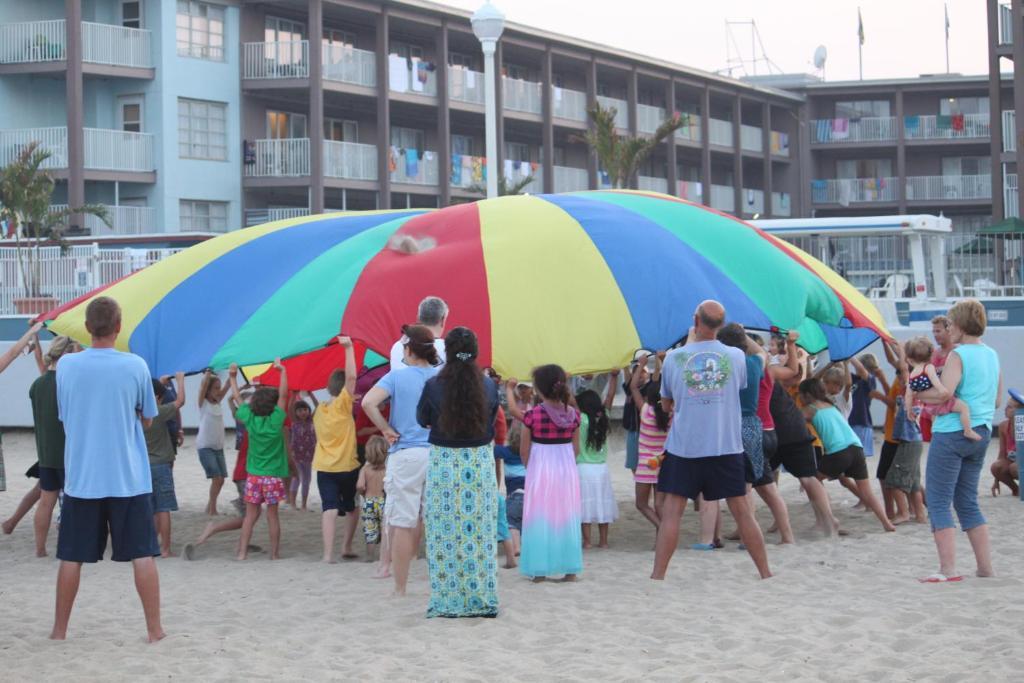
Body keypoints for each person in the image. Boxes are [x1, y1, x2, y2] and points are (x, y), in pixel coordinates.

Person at [51, 297, 163, 642]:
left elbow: (65, 415)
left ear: (87, 328)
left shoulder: (67, 366)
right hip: (128, 476)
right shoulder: (135, 365)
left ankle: (59, 631)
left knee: (71, 557)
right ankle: (154, 630)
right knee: (142, 555)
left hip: (83, 477)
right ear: (118, 327)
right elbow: (147, 419)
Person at [651, 301, 771, 581]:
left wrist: (691, 343)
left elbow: (667, 404)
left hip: (685, 447)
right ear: (722, 323)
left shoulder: (673, 358)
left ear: (695, 320)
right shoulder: (736, 357)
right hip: (725, 444)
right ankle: (765, 572)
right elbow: (738, 385)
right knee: (742, 512)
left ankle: (658, 575)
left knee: (672, 514)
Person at [417, 327, 500, 617]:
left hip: (445, 463)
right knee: (479, 533)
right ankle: (482, 599)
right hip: (478, 463)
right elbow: (490, 419)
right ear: (475, 351)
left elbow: (422, 419)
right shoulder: (489, 386)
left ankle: (449, 601)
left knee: (445, 533)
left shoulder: (433, 385)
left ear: (446, 351)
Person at [923, 299, 1001, 583]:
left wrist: (918, 396)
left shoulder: (959, 355)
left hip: (951, 432)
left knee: (938, 500)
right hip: (980, 432)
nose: (948, 328)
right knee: (967, 500)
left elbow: (945, 393)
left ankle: (948, 569)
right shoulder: (991, 354)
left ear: (960, 325)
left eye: (950, 323)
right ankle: (985, 568)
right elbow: (996, 399)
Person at [362, 325, 441, 597]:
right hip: (438, 452)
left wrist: (385, 429)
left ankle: (400, 587)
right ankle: (440, 584)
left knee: (402, 522)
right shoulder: (441, 376)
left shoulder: (396, 377)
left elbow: (368, 403)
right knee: (437, 521)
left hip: (406, 452)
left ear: (408, 350)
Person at [718, 323, 795, 545]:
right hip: (762, 428)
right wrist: (743, 334)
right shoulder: (755, 364)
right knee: (768, 488)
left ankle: (747, 536)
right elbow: (761, 353)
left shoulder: (725, 368)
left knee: (745, 487)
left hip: (742, 430)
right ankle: (787, 536)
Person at [506, 364, 582, 583]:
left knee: (538, 516)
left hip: (540, 468)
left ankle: (539, 571)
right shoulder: (574, 416)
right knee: (567, 515)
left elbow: (523, 450)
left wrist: (532, 468)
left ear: (538, 389)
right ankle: (570, 570)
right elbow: (576, 449)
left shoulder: (533, 415)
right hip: (566, 469)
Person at [798, 378, 896, 533]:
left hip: (838, 451)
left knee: (811, 483)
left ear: (807, 395)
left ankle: (827, 520)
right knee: (867, 491)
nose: (799, 399)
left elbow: (791, 420)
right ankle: (887, 523)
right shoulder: (831, 406)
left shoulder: (811, 408)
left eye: (800, 395)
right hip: (856, 448)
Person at [229, 360, 290, 561]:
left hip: (254, 476)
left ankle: (241, 553)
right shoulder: (276, 420)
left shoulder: (250, 420)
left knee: (250, 516)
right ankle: (274, 554)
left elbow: (238, 398)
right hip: (272, 477)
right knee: (272, 516)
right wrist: (282, 372)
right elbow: (283, 395)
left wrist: (232, 376)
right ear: (273, 406)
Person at [312, 337, 361, 563]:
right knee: (351, 508)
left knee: (329, 509)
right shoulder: (343, 406)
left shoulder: (320, 410)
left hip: (324, 467)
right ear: (345, 391)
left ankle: (327, 554)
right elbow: (351, 377)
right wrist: (348, 349)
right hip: (347, 466)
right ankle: (346, 546)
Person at [25, 336, 74, 556]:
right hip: (67, 452)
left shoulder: (38, 384)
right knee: (72, 503)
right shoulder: (67, 383)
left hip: (45, 453)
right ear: (65, 354)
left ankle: (40, 549)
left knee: (46, 502)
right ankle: (68, 546)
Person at [904, 336, 981, 442]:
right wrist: (942, 390)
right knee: (964, 408)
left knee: (936, 423)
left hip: (930, 406)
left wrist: (909, 410)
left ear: (909, 360)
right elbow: (935, 381)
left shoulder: (911, 376)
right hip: (942, 401)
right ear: (931, 355)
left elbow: (908, 395)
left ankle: (935, 432)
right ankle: (968, 430)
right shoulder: (928, 368)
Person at [575, 379, 619, 549]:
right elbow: (610, 396)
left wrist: (564, 380)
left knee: (585, 504)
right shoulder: (604, 418)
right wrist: (613, 377)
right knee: (603, 503)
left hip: (583, 468)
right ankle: (604, 541)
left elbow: (570, 401)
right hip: (602, 469)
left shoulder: (582, 420)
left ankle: (587, 541)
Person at [145, 375, 186, 557]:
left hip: (144, 468)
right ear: (159, 398)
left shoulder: (136, 414)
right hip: (161, 465)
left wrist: (158, 385)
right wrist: (180, 380)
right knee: (164, 508)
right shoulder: (159, 413)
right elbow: (180, 401)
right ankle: (166, 548)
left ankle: (152, 545)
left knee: (151, 508)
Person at [630, 356, 669, 531]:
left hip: (646, 464)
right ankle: (662, 534)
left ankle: (662, 529)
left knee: (642, 504)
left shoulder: (646, 411)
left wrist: (641, 365)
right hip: (664, 462)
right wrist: (665, 361)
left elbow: (632, 387)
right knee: (660, 504)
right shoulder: (671, 415)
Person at [197, 369, 231, 516]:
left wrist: (233, 379)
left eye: (219, 388)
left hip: (218, 447)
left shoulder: (218, 402)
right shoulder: (203, 403)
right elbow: (203, 387)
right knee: (216, 478)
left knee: (221, 479)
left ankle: (209, 506)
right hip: (205, 446)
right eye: (216, 388)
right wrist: (207, 375)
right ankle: (212, 510)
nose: (219, 391)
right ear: (208, 390)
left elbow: (229, 384)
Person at [921, 315, 956, 442]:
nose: (935, 335)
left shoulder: (957, 352)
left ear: (949, 330)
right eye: (934, 331)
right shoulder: (934, 354)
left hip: (950, 407)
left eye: (938, 331)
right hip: (931, 406)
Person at [622, 351, 657, 473]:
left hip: (646, 431)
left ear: (648, 374)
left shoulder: (650, 388)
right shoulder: (629, 389)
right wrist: (625, 365)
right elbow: (628, 380)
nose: (640, 374)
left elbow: (656, 375)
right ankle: (639, 481)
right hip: (633, 431)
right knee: (633, 463)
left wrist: (646, 363)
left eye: (643, 371)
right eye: (637, 372)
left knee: (649, 465)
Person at [389, 296, 448, 368]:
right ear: (442, 320)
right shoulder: (449, 348)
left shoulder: (398, 346)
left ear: (418, 318)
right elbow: (464, 357)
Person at [495, 422, 526, 558]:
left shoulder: (505, 452)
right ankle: (527, 546)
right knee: (527, 522)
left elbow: (492, 450)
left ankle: (516, 547)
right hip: (531, 495)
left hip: (514, 496)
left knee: (511, 522)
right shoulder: (530, 452)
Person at [357, 435, 388, 569]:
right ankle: (385, 555)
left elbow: (359, 486)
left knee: (370, 529)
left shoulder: (365, 470)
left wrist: (364, 494)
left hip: (368, 502)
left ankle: (370, 555)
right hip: (384, 501)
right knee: (385, 529)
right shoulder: (388, 469)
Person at [990, 390, 1021, 497]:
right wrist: (996, 481)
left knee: (1015, 467)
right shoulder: (1003, 426)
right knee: (996, 466)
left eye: (1010, 407)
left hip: (1018, 464)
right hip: (1014, 461)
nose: (1005, 409)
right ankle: (1016, 489)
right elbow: (1002, 455)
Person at [288, 399, 316, 510]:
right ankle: (293, 504)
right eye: (299, 410)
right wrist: (294, 396)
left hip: (309, 455)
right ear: (295, 413)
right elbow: (290, 409)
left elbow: (317, 406)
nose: (303, 412)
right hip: (296, 455)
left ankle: (304, 504)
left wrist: (311, 395)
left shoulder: (312, 421)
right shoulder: (294, 422)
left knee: (307, 480)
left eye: (305, 409)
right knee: (297, 478)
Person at [847, 355, 878, 456]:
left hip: (861, 422)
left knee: (858, 457)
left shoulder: (870, 380)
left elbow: (861, 370)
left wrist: (849, 354)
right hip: (849, 421)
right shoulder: (854, 379)